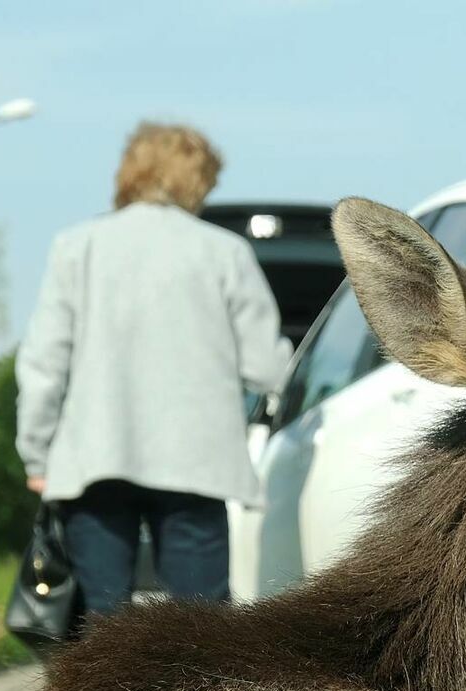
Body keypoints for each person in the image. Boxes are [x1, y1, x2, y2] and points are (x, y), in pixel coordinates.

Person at [15, 122, 288, 617]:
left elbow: (44, 363)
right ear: (198, 181)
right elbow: (268, 366)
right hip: (195, 462)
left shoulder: (78, 246)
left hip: (96, 458)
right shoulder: (224, 253)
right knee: (200, 627)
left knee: (103, 624)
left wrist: (36, 456)